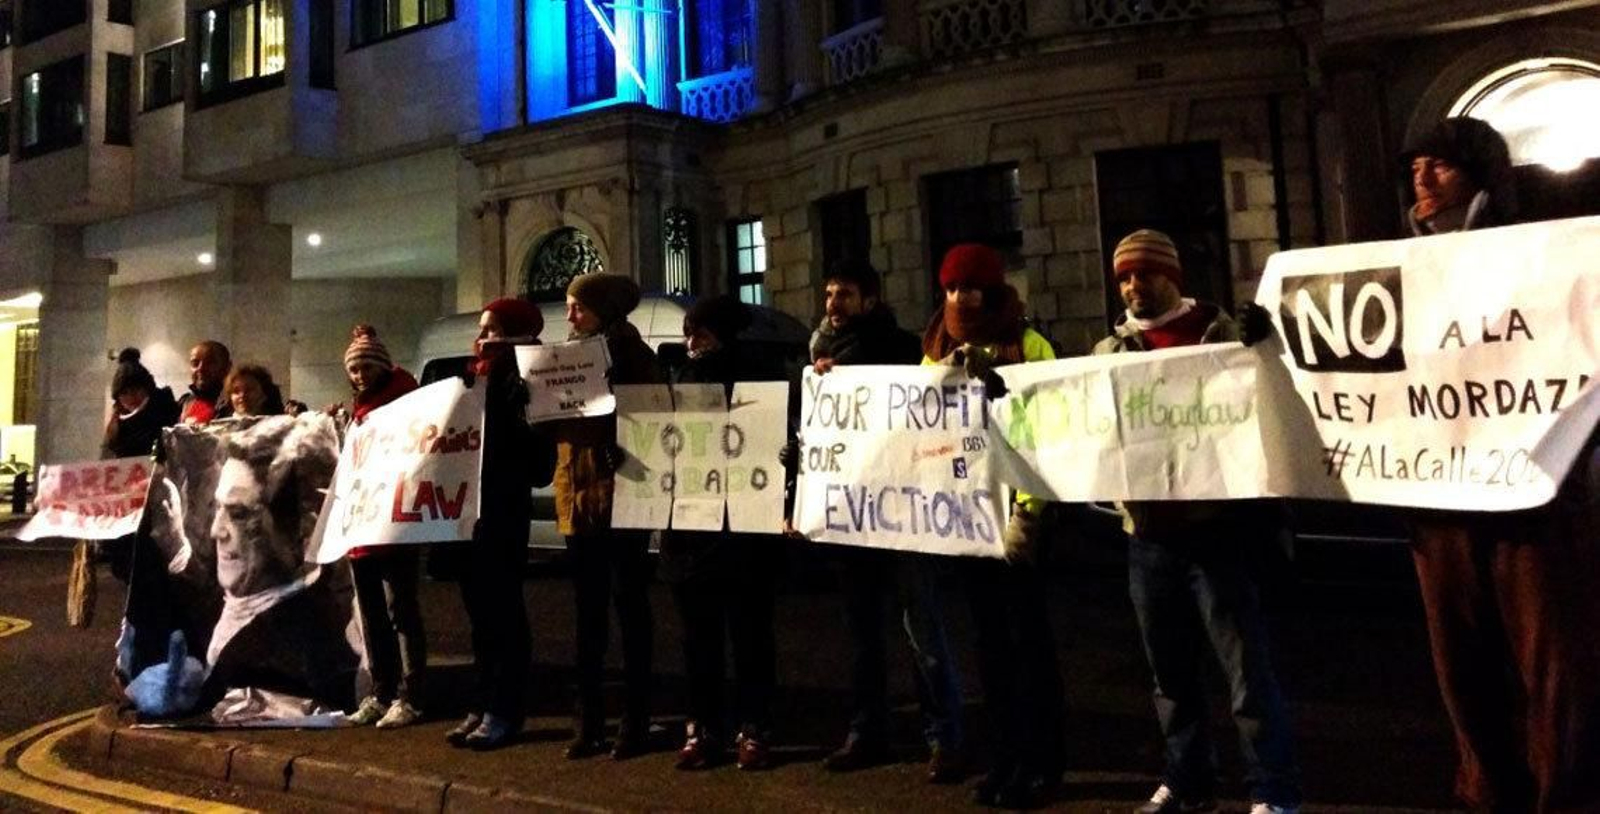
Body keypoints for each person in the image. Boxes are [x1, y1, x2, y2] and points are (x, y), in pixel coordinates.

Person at [1401, 117, 1600, 814]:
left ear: (1482, 174)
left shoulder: (1542, 250)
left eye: (1441, 166)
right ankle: (1489, 794)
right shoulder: (1401, 269)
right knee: (1462, 671)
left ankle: (1563, 798)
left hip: (1532, 502)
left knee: (1556, 670)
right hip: (1440, 506)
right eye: (1416, 165)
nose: (1422, 179)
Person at [1091, 229, 1299, 814]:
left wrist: (1265, 344)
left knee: (1245, 674)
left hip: (1217, 535)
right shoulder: (1110, 353)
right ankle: (1188, 779)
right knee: (1170, 675)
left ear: (1173, 277)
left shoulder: (1223, 335)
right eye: (1125, 277)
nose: (1134, 286)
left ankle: (1272, 791)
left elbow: (1279, 391)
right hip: (1149, 539)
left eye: (1145, 274)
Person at [794, 258, 967, 783]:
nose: (832, 304)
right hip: (853, 520)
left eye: (844, 294)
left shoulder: (901, 347)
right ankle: (868, 731)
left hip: (902, 518)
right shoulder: (819, 358)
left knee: (923, 635)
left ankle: (945, 738)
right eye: (828, 294)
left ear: (869, 300)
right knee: (862, 637)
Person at [921, 243, 1063, 809]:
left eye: (972, 288)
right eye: (953, 288)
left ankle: (1043, 764)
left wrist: (1029, 514)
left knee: (1029, 649)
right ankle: (1005, 759)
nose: (961, 298)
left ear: (993, 290)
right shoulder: (935, 350)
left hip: (1017, 520)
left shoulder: (1030, 345)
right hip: (968, 523)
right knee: (989, 650)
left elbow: (1050, 432)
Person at [660, 295, 782, 771]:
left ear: (724, 336)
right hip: (690, 537)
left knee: (750, 637)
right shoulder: (676, 383)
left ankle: (754, 728)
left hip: (742, 538)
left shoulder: (756, 381)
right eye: (689, 334)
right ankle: (703, 728)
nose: (692, 343)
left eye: (702, 334)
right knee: (698, 641)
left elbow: (770, 439)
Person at [553, 273, 663, 760]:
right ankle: (589, 720)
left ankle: (635, 720)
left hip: (622, 496)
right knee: (587, 616)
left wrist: (627, 445)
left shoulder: (634, 357)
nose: (570, 316)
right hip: (577, 497)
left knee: (629, 609)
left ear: (603, 310)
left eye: (578, 307)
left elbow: (655, 418)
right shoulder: (565, 360)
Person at [446, 297, 551, 751]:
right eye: (482, 328)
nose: (484, 336)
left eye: (492, 328)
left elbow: (540, 464)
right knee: (479, 615)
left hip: (504, 510)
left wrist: (518, 415)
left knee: (504, 612)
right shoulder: (473, 378)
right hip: (470, 511)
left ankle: (505, 709)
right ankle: (482, 700)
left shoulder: (530, 380)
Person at [337, 325, 427, 730]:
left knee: (400, 610)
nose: (359, 376)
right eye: (353, 369)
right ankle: (382, 690)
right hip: (363, 528)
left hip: (393, 527)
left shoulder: (403, 403)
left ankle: (412, 694)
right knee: (373, 613)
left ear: (382, 367)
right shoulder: (357, 412)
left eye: (365, 368)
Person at [101, 348, 181, 582]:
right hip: (126, 507)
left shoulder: (164, 416)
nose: (131, 397)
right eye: (124, 393)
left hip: (157, 505)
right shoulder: (118, 427)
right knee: (128, 568)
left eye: (136, 389)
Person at [179, 341, 234, 424]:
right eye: (195, 363)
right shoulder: (185, 402)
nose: (200, 369)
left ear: (227, 367)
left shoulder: (235, 403)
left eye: (210, 363)